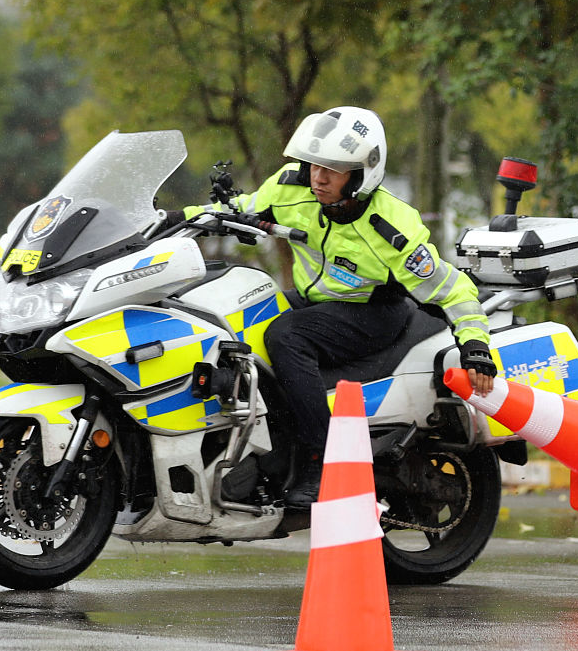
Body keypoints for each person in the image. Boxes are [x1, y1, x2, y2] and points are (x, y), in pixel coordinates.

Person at [183, 106, 496, 509]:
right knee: (237, 319)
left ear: (363, 173)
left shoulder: (392, 227)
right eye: (314, 165)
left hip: (374, 313)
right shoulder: (292, 188)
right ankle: (262, 450)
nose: (319, 177)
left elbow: (452, 291)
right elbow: (239, 208)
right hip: (316, 301)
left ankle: (320, 461)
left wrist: (475, 346)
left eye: (333, 169)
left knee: (286, 336)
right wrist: (170, 220)